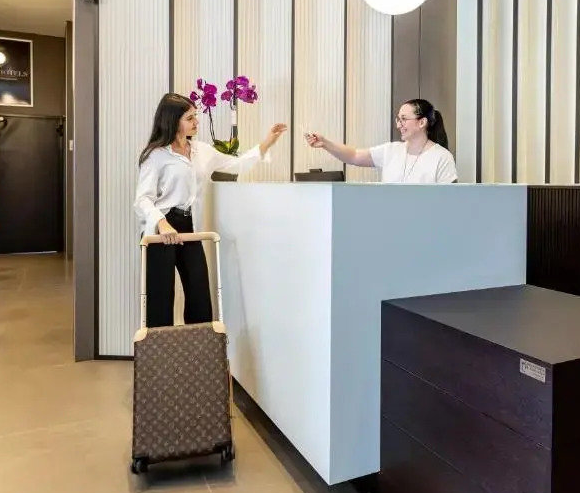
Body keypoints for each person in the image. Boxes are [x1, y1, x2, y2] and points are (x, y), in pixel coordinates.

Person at [134, 93, 287, 327]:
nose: (196, 122)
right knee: (160, 298)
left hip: (190, 226)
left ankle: (199, 349)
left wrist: (268, 142)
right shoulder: (156, 156)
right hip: (162, 227)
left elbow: (236, 164)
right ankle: (160, 350)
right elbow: (142, 199)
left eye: (195, 116)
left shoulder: (202, 151)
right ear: (173, 120)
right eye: (190, 118)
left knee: (199, 295)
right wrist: (161, 223)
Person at [303, 99, 458, 183]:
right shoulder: (391, 150)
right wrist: (325, 143)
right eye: (398, 119)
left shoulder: (442, 157)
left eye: (404, 119)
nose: (398, 125)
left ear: (422, 122)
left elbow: (449, 202)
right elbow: (354, 156)